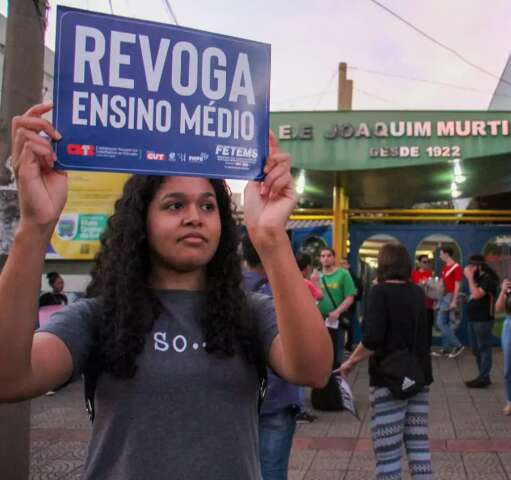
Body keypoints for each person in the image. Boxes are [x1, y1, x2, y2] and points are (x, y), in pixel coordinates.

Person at [0, 102, 333, 480]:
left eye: (208, 206)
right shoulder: (99, 316)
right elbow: (7, 379)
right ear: (142, 222)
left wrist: (271, 237)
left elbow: (314, 370)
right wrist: (34, 228)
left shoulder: (249, 312)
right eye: (174, 205)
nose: (194, 216)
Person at [340, 243, 433, 480]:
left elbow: (372, 339)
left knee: (388, 455)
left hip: (389, 382)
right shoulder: (417, 293)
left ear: (383, 265)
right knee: (419, 447)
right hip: (418, 378)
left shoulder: (380, 292)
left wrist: (350, 362)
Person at [242, 234, 302, 480]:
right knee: (273, 472)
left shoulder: (223, 290)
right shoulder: (285, 292)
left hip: (238, 398)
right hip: (278, 398)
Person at [464, 254, 499, 388]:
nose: (470, 268)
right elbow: (474, 294)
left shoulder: (488, 279)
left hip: (483, 319)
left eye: (473, 265)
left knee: (484, 349)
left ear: (480, 265)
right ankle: (483, 376)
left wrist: (469, 277)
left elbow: (477, 295)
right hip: (473, 318)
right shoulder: (479, 278)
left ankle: (483, 378)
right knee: (475, 349)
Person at [317, 247, 356, 368]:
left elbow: (350, 297)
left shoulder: (343, 274)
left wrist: (337, 311)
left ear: (334, 258)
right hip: (318, 320)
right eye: (323, 256)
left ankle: (336, 374)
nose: (326, 259)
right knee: (319, 351)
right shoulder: (316, 276)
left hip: (335, 320)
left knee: (336, 349)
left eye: (328, 256)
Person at [294, 251, 321, 424]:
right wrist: (316, 282)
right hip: (304, 329)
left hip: (289, 328)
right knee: (300, 370)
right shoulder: (307, 283)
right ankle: (300, 408)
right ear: (307, 268)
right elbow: (321, 296)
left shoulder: (287, 281)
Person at [433, 246, 464, 358]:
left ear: (447, 254)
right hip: (444, 297)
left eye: (441, 254)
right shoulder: (445, 267)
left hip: (450, 297)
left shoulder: (456, 268)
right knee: (445, 324)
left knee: (440, 323)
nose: (440, 256)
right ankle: (445, 349)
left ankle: (458, 345)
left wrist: (454, 301)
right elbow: (442, 284)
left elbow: (457, 286)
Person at [411, 255, 435, 348]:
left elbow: (433, 288)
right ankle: (416, 345)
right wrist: (420, 284)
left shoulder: (430, 274)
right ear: (419, 263)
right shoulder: (414, 274)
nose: (426, 264)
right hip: (417, 304)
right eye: (424, 262)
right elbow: (412, 288)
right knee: (417, 325)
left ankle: (428, 346)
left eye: (427, 262)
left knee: (428, 326)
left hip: (429, 304)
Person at [340, 257, 363, 352]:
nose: (342, 266)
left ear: (349, 265)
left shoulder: (355, 280)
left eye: (344, 263)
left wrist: (349, 299)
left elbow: (359, 295)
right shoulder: (338, 277)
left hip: (349, 307)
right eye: (341, 264)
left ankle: (348, 346)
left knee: (348, 325)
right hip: (337, 306)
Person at [496, 278, 511, 415]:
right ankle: (510, 401)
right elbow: (498, 308)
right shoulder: (508, 287)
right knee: (508, 369)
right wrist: (502, 291)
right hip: (509, 326)